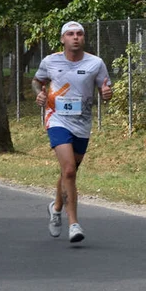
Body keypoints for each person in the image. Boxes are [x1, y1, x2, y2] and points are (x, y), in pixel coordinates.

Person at [32, 21, 112, 244]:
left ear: (83, 38)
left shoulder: (96, 63)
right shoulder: (50, 61)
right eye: (70, 34)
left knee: (70, 172)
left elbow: (105, 88)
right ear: (62, 39)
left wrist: (106, 94)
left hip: (82, 122)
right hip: (56, 119)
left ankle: (56, 207)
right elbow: (37, 82)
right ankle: (74, 223)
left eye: (79, 34)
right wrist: (39, 94)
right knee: (68, 170)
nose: (75, 37)